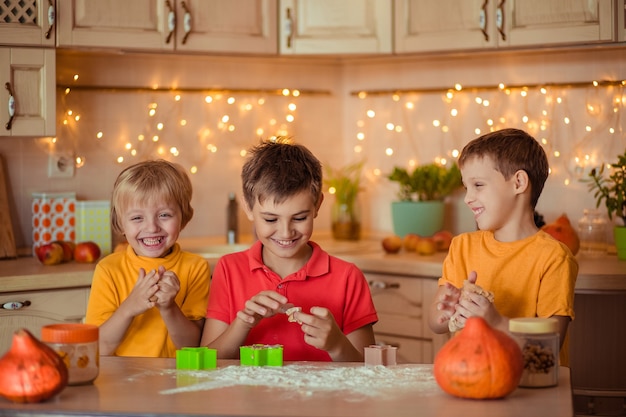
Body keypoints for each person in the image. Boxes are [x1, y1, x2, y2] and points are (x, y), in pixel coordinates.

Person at [201, 138, 378, 362]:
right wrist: (243, 323)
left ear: (318, 206)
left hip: (323, 397)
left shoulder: (347, 277)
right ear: (248, 208)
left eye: (300, 218)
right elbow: (207, 361)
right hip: (247, 398)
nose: (285, 233)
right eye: (270, 219)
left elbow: (369, 372)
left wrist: (336, 344)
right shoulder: (228, 269)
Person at [427, 128, 578, 365]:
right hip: (471, 374)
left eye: (478, 185)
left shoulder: (553, 257)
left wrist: (495, 321)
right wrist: (446, 310)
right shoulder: (462, 246)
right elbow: (436, 324)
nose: (467, 198)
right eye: (466, 187)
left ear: (518, 182)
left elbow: (551, 343)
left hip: (532, 387)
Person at [86, 159, 210, 357]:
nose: (152, 228)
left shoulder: (195, 267)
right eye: (137, 218)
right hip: (122, 381)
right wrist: (129, 307)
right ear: (120, 223)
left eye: (164, 215)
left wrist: (169, 307)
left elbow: (193, 347)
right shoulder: (108, 269)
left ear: (183, 217)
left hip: (176, 380)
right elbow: (99, 349)